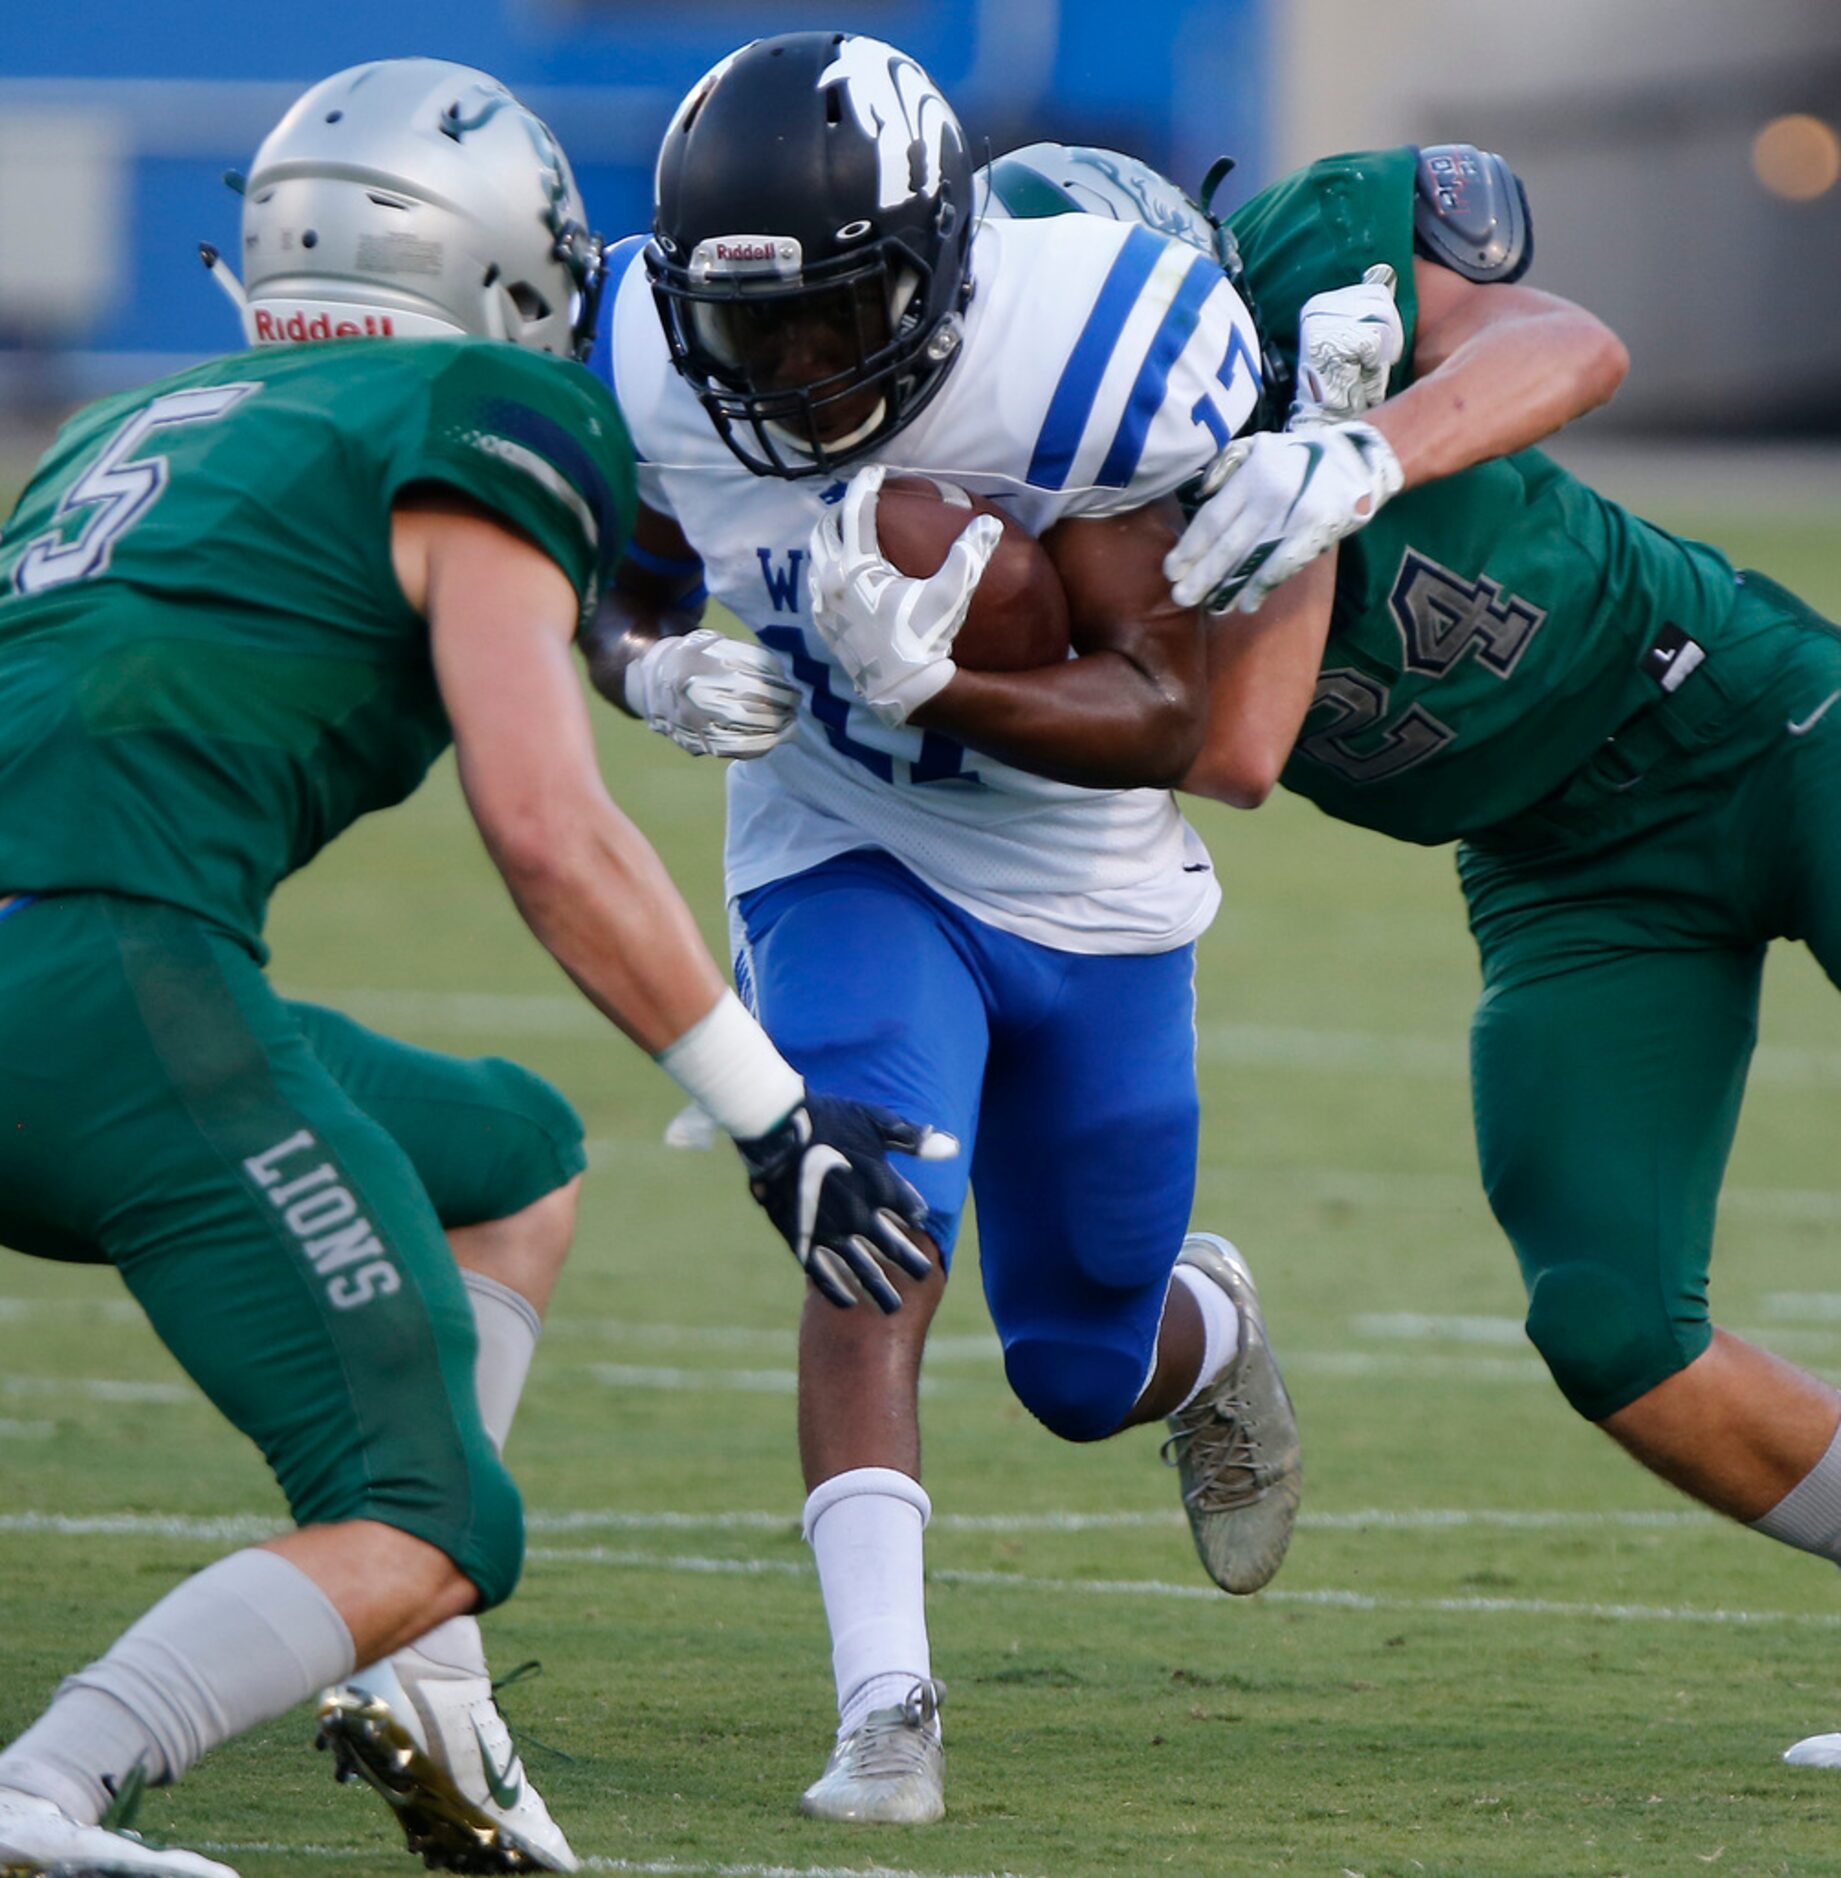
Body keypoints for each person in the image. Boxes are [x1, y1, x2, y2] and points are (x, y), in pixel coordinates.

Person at [0, 59, 943, 1878]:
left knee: (506, 1152)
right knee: (430, 1506)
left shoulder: (137, 424)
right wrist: (775, 1120)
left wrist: (629, 651)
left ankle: (425, 1681)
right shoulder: (483, 398)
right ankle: (53, 1784)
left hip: (75, 976)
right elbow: (548, 829)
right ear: (508, 270)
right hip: (104, 990)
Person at [981, 139, 1841, 1771]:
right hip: (1563, 872)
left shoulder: (1315, 256)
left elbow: (1570, 345)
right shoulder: (1033, 518)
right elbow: (1233, 754)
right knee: (1608, 1323)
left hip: (1747, 712)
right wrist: (1289, 485)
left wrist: (1359, 451)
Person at [585, 31, 1351, 1826]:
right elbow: (602, 578)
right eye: (751, 329)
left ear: (937, 275)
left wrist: (936, 679)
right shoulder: (633, 348)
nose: (788, 370)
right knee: (871, 1225)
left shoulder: (1084, 366)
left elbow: (1166, 713)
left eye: (833, 319)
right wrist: (644, 668)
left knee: (1082, 1369)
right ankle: (884, 1710)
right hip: (836, 847)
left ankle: (1205, 1330)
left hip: (1083, 883)